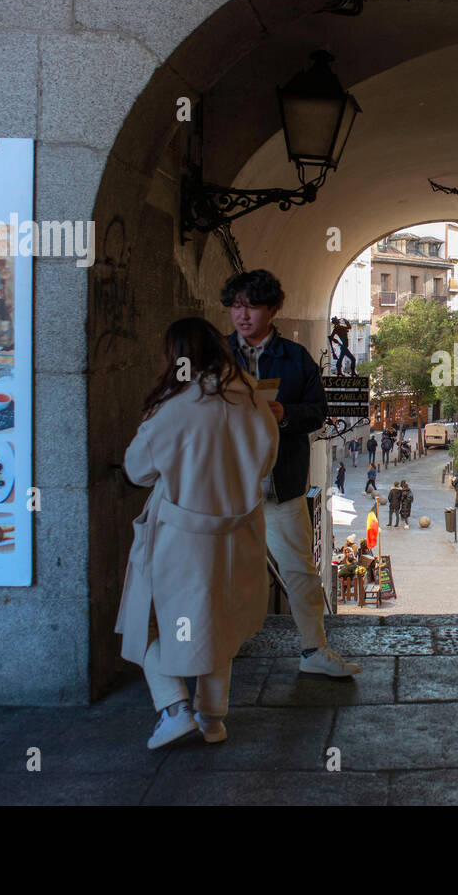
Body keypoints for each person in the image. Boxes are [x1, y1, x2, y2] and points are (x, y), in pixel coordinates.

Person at [117, 317, 277, 749]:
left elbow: (137, 469)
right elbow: (266, 461)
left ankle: (174, 707)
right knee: (218, 624)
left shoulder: (176, 406)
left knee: (146, 621)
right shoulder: (251, 398)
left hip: (182, 539)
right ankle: (212, 716)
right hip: (237, 535)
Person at [223, 269, 359, 678]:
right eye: (236, 306)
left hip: (280, 485)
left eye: (252, 306)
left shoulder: (296, 359)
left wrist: (286, 415)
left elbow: (319, 413)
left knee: (299, 569)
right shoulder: (218, 355)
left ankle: (313, 649)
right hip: (227, 488)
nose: (242, 315)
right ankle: (218, 647)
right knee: (221, 570)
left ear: (273, 310)